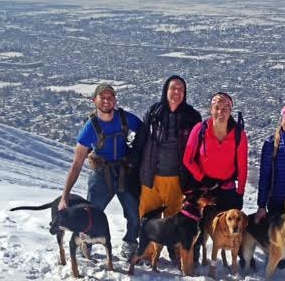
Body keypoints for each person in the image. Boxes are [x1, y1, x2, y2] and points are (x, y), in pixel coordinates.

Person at [58, 83, 142, 259]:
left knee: (134, 212)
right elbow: (77, 163)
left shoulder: (125, 119)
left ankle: (130, 242)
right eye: (102, 97)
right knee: (90, 213)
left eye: (110, 97)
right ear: (94, 100)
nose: (106, 101)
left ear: (115, 100)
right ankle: (84, 243)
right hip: (101, 174)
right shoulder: (90, 128)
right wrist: (65, 195)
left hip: (124, 171)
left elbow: (145, 133)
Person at [133, 75, 202, 220]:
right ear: (166, 90)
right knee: (148, 222)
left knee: (173, 225)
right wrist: (133, 167)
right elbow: (140, 141)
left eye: (180, 89)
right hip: (150, 176)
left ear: (185, 93)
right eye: (173, 88)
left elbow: (197, 149)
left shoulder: (192, 116)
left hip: (176, 178)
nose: (177, 92)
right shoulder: (153, 112)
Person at [183, 91, 248, 211]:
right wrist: (202, 178)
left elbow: (242, 166)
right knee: (201, 228)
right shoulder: (199, 129)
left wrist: (240, 193)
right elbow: (188, 159)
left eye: (225, 108)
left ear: (230, 111)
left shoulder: (239, 135)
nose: (220, 112)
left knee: (224, 228)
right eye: (217, 108)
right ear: (211, 109)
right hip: (203, 189)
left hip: (227, 189)